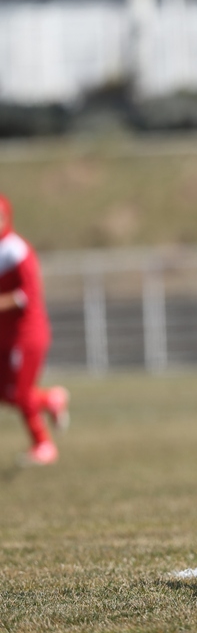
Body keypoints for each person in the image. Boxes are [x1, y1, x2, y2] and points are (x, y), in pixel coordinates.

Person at [0, 193, 69, 466]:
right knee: (5, 393)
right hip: (4, 336)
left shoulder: (16, 250)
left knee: (19, 392)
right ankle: (50, 399)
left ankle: (43, 446)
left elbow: (26, 295)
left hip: (26, 335)